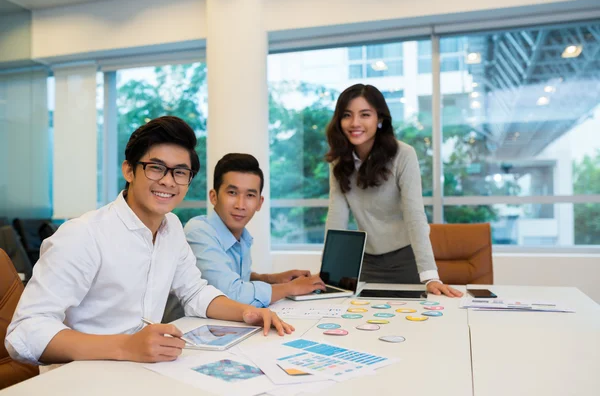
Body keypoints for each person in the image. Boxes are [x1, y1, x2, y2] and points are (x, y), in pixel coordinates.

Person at [5, 116, 293, 366]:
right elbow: (24, 332)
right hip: (84, 376)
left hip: (149, 367)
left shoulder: (173, 228)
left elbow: (194, 292)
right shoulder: (83, 235)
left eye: (180, 172)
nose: (169, 181)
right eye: (156, 168)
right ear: (129, 171)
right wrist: (125, 347)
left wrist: (247, 312)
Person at [324, 84, 463, 297]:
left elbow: (415, 215)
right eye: (347, 115)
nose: (355, 123)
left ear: (380, 119)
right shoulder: (338, 163)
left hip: (406, 261)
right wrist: (330, 273)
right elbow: (336, 218)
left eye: (365, 115)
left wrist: (429, 276)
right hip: (365, 262)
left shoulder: (403, 155)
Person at [184, 153, 326, 308]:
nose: (240, 205)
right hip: (184, 328)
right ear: (213, 197)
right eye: (232, 193)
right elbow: (231, 294)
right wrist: (291, 288)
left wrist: (273, 279)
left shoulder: (242, 237)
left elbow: (235, 278)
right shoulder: (198, 231)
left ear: (259, 203)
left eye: (250, 195)